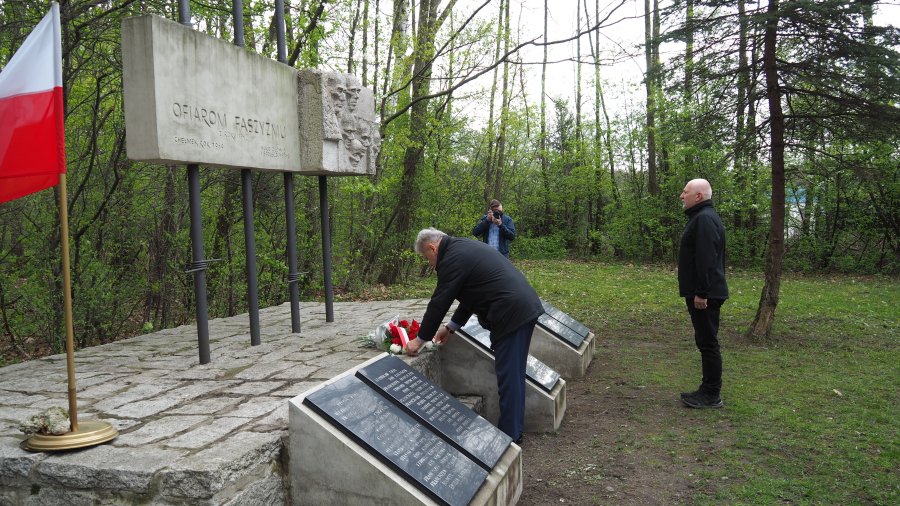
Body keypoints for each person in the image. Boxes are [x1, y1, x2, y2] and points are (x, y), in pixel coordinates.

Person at [406, 228, 544, 443]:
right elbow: (471, 294)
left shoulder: (451, 258)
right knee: (513, 375)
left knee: (509, 378)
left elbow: (439, 301)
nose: (430, 264)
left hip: (511, 313)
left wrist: (420, 339)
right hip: (520, 308)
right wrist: (451, 327)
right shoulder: (462, 248)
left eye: (427, 258)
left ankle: (510, 437)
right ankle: (514, 431)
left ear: (432, 248)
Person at [677, 178, 729, 409]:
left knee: (708, 343)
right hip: (705, 292)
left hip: (706, 295)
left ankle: (711, 394)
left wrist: (701, 293)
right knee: (705, 341)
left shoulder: (705, 220)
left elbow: (707, 259)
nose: (681, 195)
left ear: (698, 196)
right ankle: (707, 389)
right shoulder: (701, 218)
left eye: (685, 192)